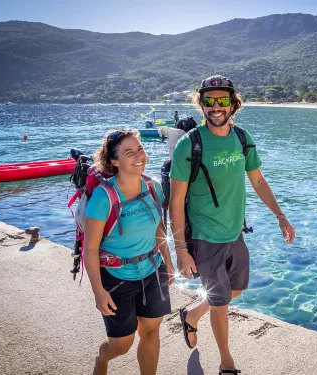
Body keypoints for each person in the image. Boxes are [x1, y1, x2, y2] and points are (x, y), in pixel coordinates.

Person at [169, 75, 296, 374]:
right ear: (201, 104)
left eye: (222, 100)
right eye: (209, 101)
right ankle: (227, 362)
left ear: (233, 103)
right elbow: (176, 202)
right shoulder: (189, 145)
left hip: (235, 232)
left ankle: (191, 314)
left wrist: (280, 215)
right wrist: (180, 249)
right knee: (221, 303)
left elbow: (259, 180)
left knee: (235, 291)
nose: (216, 107)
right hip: (205, 237)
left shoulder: (242, 138)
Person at [84, 129, 175, 375]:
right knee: (121, 345)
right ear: (114, 162)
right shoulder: (103, 198)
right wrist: (98, 291)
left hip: (153, 270)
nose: (138, 156)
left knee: (151, 331)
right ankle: (101, 360)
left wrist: (168, 262)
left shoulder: (153, 186)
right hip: (116, 277)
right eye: (129, 152)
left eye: (140, 149)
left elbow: (158, 226)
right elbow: (90, 249)